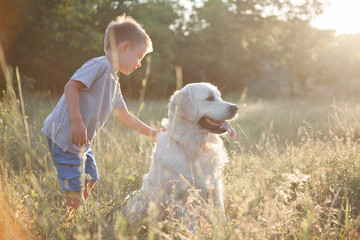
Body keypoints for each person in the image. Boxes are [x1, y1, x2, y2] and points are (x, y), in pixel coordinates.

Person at [41, 15, 161, 216]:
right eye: (139, 56)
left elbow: (126, 117)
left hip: (81, 143)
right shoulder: (99, 65)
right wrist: (77, 122)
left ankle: (73, 210)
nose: (140, 63)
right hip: (64, 136)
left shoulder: (114, 82)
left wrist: (155, 133)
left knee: (91, 178)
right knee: (75, 186)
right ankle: (71, 219)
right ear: (124, 47)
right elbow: (71, 87)